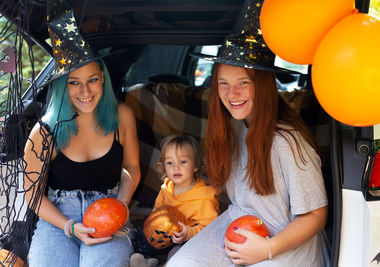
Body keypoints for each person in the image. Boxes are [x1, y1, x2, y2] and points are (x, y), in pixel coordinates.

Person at [167, 0, 329, 266]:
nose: (233, 94)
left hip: (286, 239)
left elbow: (315, 216)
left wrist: (268, 248)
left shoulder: (287, 141)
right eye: (224, 84)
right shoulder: (232, 124)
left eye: (244, 82)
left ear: (263, 86)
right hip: (239, 221)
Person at [23, 6, 140, 267]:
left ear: (103, 80)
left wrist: (120, 205)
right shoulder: (44, 132)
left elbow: (131, 168)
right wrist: (70, 227)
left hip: (107, 207)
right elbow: (32, 195)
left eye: (92, 79)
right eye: (73, 82)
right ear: (61, 85)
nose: (85, 90)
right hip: (57, 217)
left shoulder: (122, 116)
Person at [130, 135, 220, 266]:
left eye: (183, 162)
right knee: (141, 234)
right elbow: (157, 211)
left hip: (189, 239)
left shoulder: (204, 198)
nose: (176, 167)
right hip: (165, 236)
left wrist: (188, 233)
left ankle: (165, 262)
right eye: (170, 163)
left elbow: (210, 228)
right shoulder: (167, 188)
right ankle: (146, 258)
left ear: (196, 165)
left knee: (178, 254)